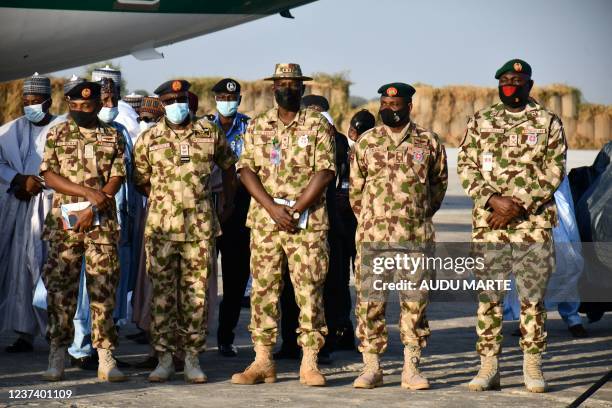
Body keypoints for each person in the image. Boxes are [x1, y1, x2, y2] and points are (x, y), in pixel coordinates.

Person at [457, 59, 567, 393]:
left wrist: (517, 203)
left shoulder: (547, 121)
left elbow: (555, 169)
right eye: (505, 79)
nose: (511, 85)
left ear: (529, 85)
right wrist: (493, 199)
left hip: (531, 224)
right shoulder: (482, 120)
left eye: (517, 80)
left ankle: (532, 366)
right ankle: (489, 367)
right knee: (488, 297)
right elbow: (466, 164)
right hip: (489, 223)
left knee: (532, 299)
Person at [231, 63, 335, 387]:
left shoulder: (317, 124)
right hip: (266, 222)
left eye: (293, 84)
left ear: (302, 89)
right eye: (281, 84)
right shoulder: (259, 125)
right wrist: (272, 208)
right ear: (273, 88)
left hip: (307, 224)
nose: (287, 89)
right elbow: (245, 169)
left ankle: (309, 362)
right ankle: (263, 360)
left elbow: (326, 171)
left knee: (309, 291)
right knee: (263, 290)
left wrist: (296, 209)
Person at [132, 79, 237, 383]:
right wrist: (167, 199)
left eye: (180, 99)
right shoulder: (150, 138)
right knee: (162, 296)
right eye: (169, 101)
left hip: (200, 228)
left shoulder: (209, 131)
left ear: (187, 100)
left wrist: (227, 203)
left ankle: (192, 357)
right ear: (161, 104)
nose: (175, 105)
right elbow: (140, 179)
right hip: (162, 230)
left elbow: (229, 167)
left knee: (196, 295)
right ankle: (164, 358)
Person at [350, 83, 448, 390]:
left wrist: (416, 216)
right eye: (385, 102)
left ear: (409, 107)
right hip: (373, 236)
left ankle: (411, 367)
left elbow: (438, 187)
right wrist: (372, 219)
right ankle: (372, 367)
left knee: (415, 303)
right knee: (370, 303)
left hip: (414, 237)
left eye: (396, 102)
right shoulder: (367, 142)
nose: (390, 107)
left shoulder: (428, 142)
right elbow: (356, 190)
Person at [39, 80, 127, 382]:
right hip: (65, 228)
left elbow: (117, 176)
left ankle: (105, 356)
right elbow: (49, 175)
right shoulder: (57, 133)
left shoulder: (113, 135)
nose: (78, 111)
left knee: (102, 291)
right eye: (73, 106)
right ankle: (57, 353)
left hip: (101, 225)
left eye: (85, 107)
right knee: (60, 291)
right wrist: (86, 193)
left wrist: (95, 205)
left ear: (99, 106)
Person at [0, 73, 62, 352]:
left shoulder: (63, 128)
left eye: (35, 101)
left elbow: (70, 168)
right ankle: (24, 332)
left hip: (49, 208)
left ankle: (56, 332)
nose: (29, 106)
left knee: (47, 269)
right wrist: (17, 179)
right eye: (26, 102)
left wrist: (38, 183)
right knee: (18, 271)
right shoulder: (9, 130)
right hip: (16, 207)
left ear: (48, 102)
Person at [206, 78, 252, 357]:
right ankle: (196, 336)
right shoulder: (203, 127)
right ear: (215, 99)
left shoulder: (251, 127)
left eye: (232, 97)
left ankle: (225, 337)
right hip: (207, 205)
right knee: (200, 277)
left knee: (236, 279)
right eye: (222, 96)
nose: (227, 101)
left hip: (240, 207)